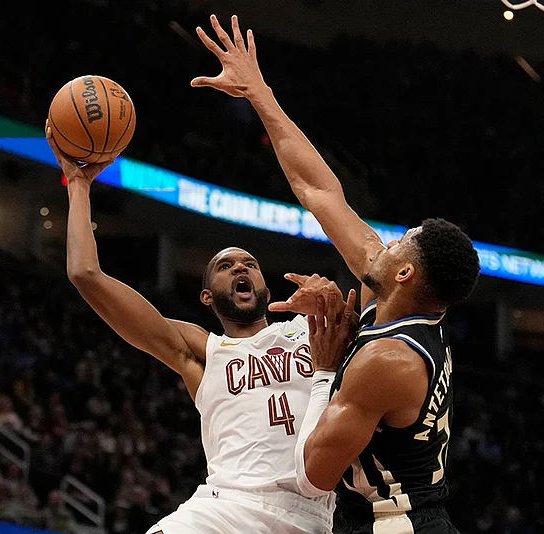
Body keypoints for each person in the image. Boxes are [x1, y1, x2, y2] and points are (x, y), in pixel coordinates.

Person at [192, 15, 482, 533]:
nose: (385, 241)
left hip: (397, 524)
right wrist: (259, 92)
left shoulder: (387, 359)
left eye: (399, 241)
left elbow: (314, 474)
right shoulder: (395, 297)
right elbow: (319, 190)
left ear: (405, 273)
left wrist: (325, 369)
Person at [45, 127, 357, 534]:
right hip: (225, 509)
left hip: (310, 516)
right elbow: (85, 274)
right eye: (226, 267)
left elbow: (372, 271)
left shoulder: (313, 329)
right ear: (208, 297)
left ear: (266, 286)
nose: (241, 267)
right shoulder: (201, 351)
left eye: (249, 263)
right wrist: (79, 185)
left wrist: (332, 301)